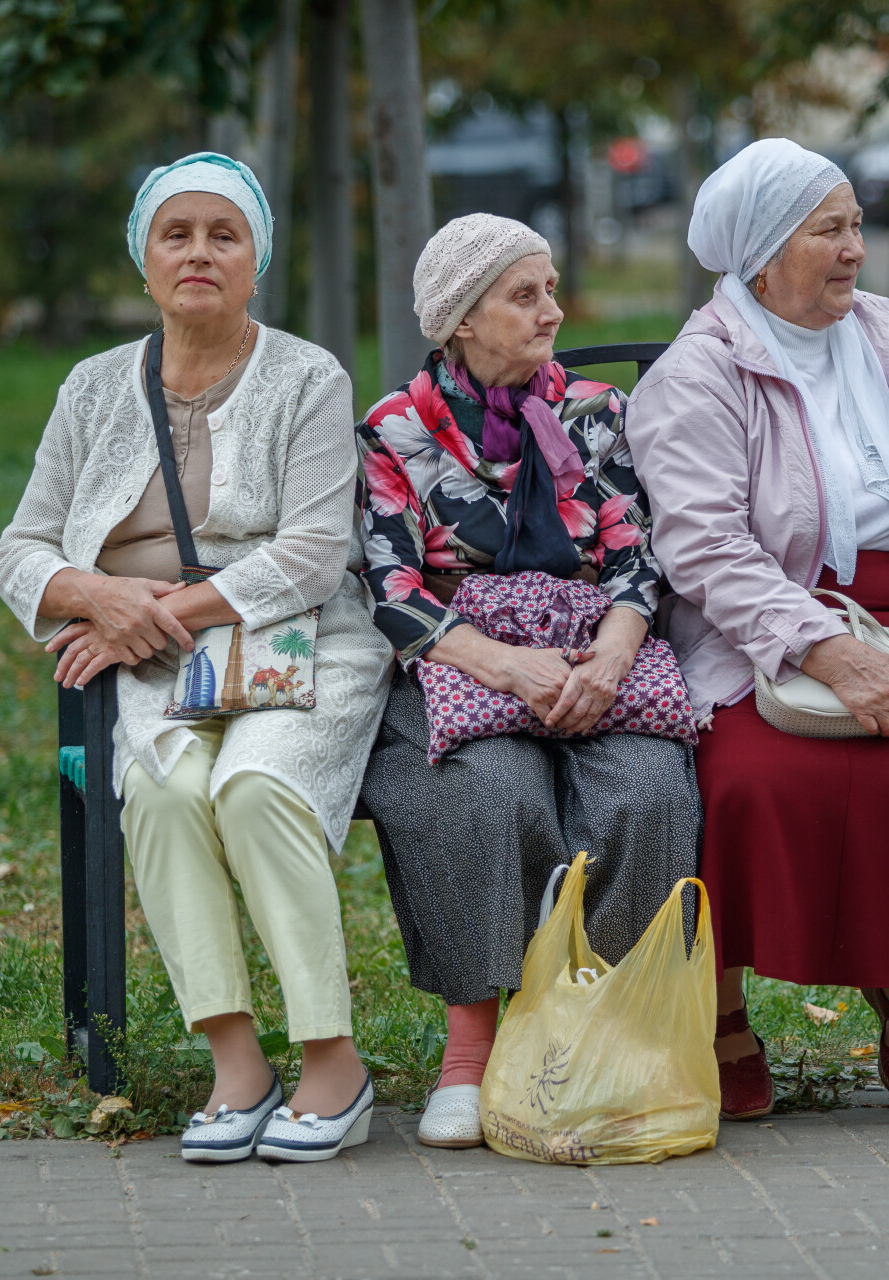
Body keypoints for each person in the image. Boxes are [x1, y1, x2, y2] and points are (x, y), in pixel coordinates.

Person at [0, 153, 391, 1164]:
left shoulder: (308, 375)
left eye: (227, 234)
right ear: (145, 258)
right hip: (165, 660)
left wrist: (155, 610)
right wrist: (100, 597)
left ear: (257, 262)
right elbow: (22, 549)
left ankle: (333, 1062)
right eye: (179, 233)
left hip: (301, 642)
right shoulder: (91, 390)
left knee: (256, 788)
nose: (202, 252)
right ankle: (236, 1061)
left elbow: (310, 554)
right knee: (168, 794)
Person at [625, 139, 889, 1120]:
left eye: (855, 225)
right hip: (759, 627)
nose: (856, 250)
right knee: (750, 780)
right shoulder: (699, 373)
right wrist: (826, 650)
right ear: (763, 254)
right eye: (830, 230)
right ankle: (722, 1015)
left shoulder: (885, 334)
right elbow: (705, 549)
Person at [355, 213, 701, 1151]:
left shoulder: (593, 411)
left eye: (550, 288)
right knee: (484, 794)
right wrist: (506, 664)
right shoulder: (395, 433)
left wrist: (614, 656)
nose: (552, 310)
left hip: (596, 654)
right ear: (462, 319)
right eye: (525, 294)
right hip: (466, 660)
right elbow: (389, 586)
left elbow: (638, 552)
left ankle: (603, 1041)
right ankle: (472, 1053)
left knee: (647, 792)